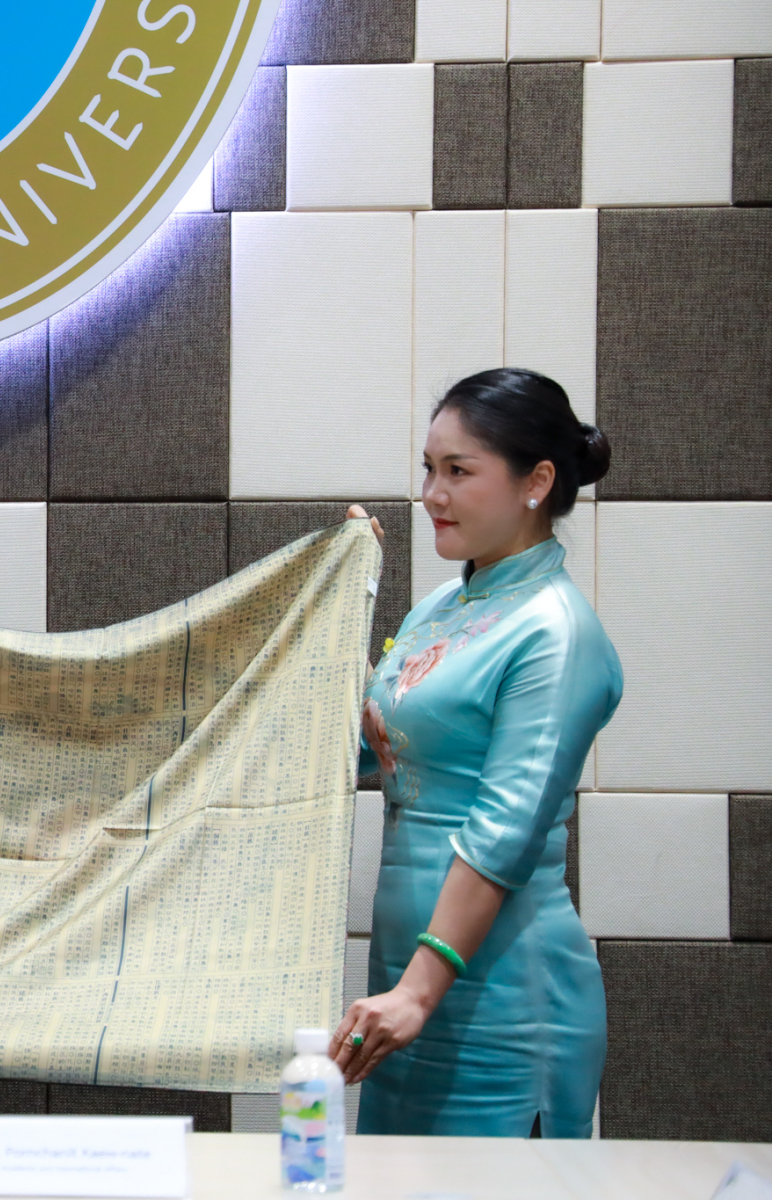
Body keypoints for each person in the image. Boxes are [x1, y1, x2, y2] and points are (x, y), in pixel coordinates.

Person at [333, 368, 623, 1137]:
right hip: (408, 983)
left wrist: (419, 990)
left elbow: (506, 830)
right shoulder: (442, 606)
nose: (433, 493)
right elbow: (371, 752)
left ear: (538, 482)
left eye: (459, 471)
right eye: (429, 468)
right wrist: (337, 599)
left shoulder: (556, 632)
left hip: (504, 1003)